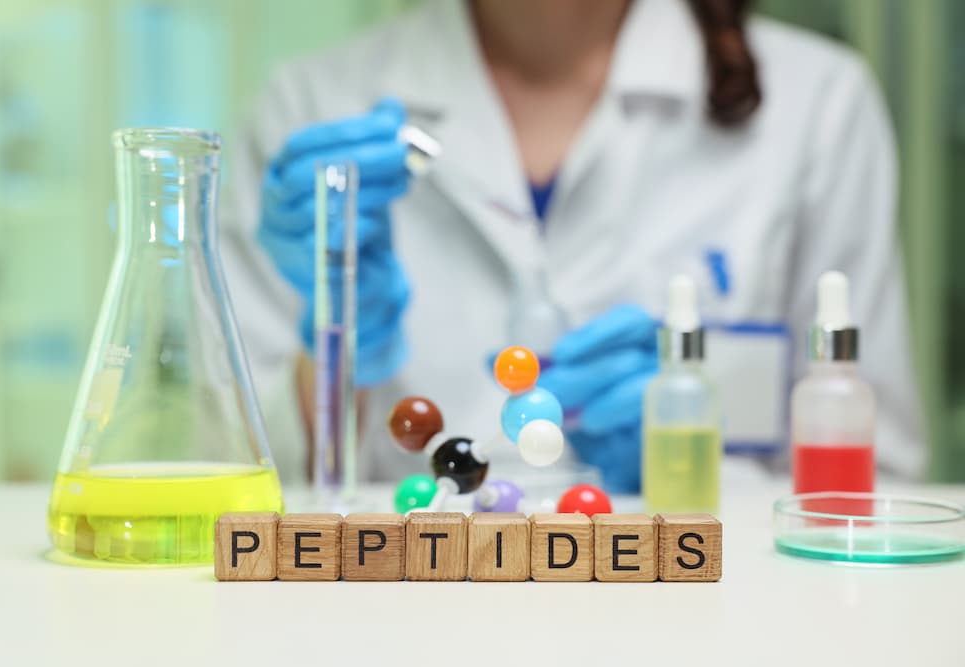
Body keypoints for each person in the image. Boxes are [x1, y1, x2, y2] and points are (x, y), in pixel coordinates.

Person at [220, 0, 924, 491]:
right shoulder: (313, 106)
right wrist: (338, 357)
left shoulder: (818, 105)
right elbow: (218, 479)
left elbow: (878, 485)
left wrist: (692, 461)